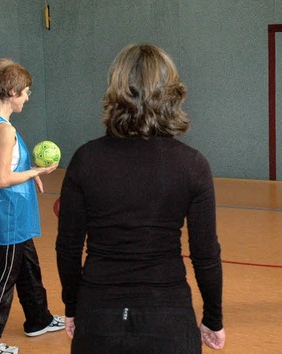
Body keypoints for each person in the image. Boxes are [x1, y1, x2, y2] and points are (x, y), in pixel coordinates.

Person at [55, 44, 225, 353]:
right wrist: (213, 319)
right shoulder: (192, 164)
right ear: (171, 93)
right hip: (168, 321)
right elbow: (205, 254)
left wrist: (72, 306)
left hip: (97, 317)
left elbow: (67, 248)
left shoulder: (85, 159)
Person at [0, 59, 64, 354]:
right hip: (7, 212)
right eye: (24, 92)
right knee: (2, 276)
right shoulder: (4, 130)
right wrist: (34, 172)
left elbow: (3, 166)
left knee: (28, 267)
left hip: (12, 209)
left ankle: (38, 319)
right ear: (10, 91)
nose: (26, 97)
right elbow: (1, 178)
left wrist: (27, 173)